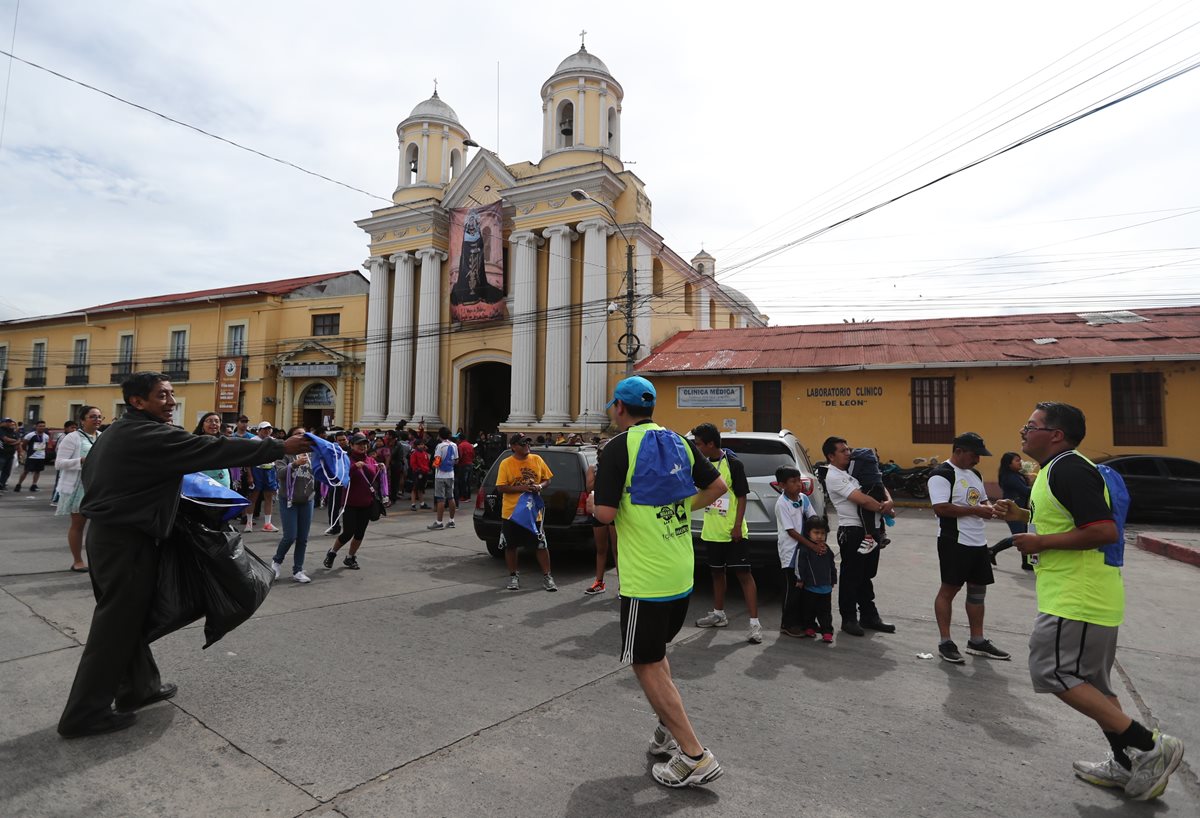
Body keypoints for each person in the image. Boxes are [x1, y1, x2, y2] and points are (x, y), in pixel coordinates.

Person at [57, 371, 310, 738]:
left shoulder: (119, 431)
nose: (171, 401)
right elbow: (211, 448)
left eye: (172, 393)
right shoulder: (149, 434)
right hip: (124, 541)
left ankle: (139, 688)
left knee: (130, 619)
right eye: (161, 395)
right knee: (114, 627)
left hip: (118, 537)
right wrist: (278, 448)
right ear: (137, 402)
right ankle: (83, 713)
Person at [996, 401, 1184, 800]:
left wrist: (1040, 542)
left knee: (1051, 672)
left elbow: (1101, 531)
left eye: (1030, 426)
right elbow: (1066, 519)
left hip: (1076, 599)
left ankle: (1152, 746)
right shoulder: (1054, 470)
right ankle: (1128, 764)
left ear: (1056, 434)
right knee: (1096, 686)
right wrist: (1020, 513)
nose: (1023, 433)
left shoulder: (1069, 467)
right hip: (1086, 596)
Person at [593, 376, 727, 789]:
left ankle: (694, 756)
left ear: (619, 407)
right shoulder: (679, 441)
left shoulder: (616, 448)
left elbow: (604, 515)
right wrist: (682, 505)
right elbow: (718, 486)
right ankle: (667, 725)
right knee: (656, 656)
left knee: (644, 663)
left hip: (646, 577)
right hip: (680, 570)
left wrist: (594, 500)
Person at [928, 432, 1010, 664]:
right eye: (975, 455)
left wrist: (992, 507)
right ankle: (946, 642)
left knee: (977, 591)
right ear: (959, 451)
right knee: (949, 590)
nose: (978, 460)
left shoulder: (974, 473)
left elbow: (981, 500)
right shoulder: (941, 474)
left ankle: (977, 640)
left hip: (977, 541)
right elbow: (941, 508)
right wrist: (976, 511)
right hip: (955, 541)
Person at [691, 423, 762, 644]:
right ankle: (718, 614)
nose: (696, 446)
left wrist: (738, 525)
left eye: (698, 443)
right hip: (711, 532)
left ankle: (754, 624)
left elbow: (741, 496)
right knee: (716, 574)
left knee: (743, 575)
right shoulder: (700, 465)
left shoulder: (733, 463)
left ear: (710, 443)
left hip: (734, 532)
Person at [822, 436, 897, 637]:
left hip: (870, 529)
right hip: (853, 532)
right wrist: (886, 508)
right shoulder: (834, 476)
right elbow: (863, 500)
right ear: (831, 456)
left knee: (866, 576)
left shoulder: (853, 471)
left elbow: (878, 482)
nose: (848, 453)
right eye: (843, 451)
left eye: (848, 449)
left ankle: (869, 616)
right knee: (851, 577)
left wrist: (888, 501)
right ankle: (848, 619)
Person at [496, 433, 557, 592]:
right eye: (523, 444)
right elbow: (501, 487)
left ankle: (547, 577)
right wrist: (522, 488)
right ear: (513, 446)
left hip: (532, 513)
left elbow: (548, 479)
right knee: (511, 546)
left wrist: (540, 487)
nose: (527, 446)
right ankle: (513, 576)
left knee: (540, 545)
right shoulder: (506, 463)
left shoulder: (537, 459)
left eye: (528, 443)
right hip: (512, 513)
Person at [322, 434, 382, 571]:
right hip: (350, 503)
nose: (363, 446)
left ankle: (350, 557)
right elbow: (341, 476)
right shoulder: (347, 460)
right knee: (348, 532)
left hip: (367, 502)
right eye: (359, 444)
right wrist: (355, 467)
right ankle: (332, 552)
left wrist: (377, 467)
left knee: (360, 533)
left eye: (365, 444)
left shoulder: (370, 460)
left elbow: (373, 475)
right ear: (352, 445)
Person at [54, 406, 104, 572]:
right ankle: (77, 560)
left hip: (97, 486)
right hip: (78, 488)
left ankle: (98, 560)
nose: (97, 420)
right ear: (82, 420)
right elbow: (59, 463)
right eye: (92, 416)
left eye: (99, 417)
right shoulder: (72, 438)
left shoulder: (102, 437)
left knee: (100, 527)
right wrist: (81, 461)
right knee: (78, 525)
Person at [774, 465, 819, 637]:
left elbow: (813, 519)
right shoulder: (782, 504)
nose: (798, 484)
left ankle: (803, 622)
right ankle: (787, 623)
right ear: (782, 485)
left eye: (799, 480)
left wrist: (818, 537)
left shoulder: (803, 499)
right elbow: (791, 531)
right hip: (791, 552)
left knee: (804, 589)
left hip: (804, 551)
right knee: (791, 590)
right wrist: (811, 544)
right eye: (793, 482)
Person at [272, 426, 315, 584]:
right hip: (288, 499)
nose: (301, 438)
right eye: (297, 435)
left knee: (303, 538)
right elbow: (280, 474)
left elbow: (321, 471)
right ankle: (276, 562)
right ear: (290, 438)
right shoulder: (284, 454)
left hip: (307, 499)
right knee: (290, 536)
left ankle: (298, 570)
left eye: (304, 435)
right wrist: (295, 464)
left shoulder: (312, 454)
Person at [794, 516, 836, 643]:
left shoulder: (827, 550)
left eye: (822, 533)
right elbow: (800, 565)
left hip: (825, 588)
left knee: (825, 612)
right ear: (808, 533)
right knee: (809, 610)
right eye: (816, 533)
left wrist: (833, 580)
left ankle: (827, 631)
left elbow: (832, 566)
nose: (819, 536)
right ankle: (810, 627)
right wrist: (800, 579)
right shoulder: (804, 549)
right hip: (810, 587)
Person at [989, 451, 1034, 570]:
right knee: (1019, 537)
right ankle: (992, 550)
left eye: (1020, 460)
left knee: (1025, 535)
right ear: (1009, 464)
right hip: (1011, 511)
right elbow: (1025, 491)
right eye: (1017, 460)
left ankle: (1026, 562)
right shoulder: (1009, 477)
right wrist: (1038, 487)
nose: (1020, 462)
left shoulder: (1017, 475)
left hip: (1021, 510)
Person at [584, 454, 617, 596]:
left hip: (615, 510)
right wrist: (601, 473)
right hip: (598, 510)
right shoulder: (594, 468)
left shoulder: (618, 466)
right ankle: (599, 582)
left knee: (618, 550)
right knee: (601, 549)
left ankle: (624, 586)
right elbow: (589, 487)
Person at [245, 422, 279, 533]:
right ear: (259, 430)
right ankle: (249, 522)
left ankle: (267, 524)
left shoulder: (273, 441)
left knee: (268, 497)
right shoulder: (253, 441)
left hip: (270, 470)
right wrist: (250, 475)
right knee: (253, 496)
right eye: (264, 429)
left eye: (269, 429)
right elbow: (248, 459)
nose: (267, 431)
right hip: (257, 470)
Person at [427, 426, 458, 530]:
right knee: (451, 497)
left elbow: (437, 461)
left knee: (440, 499)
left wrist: (432, 465)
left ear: (439, 435)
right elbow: (456, 460)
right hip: (451, 474)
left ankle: (439, 522)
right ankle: (451, 521)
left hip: (440, 475)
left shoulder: (440, 446)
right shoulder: (454, 445)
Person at [193, 413, 232, 488]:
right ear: (202, 425)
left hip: (222, 483)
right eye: (210, 421)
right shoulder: (195, 442)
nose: (214, 423)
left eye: (217, 421)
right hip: (202, 484)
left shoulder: (224, 441)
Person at [14, 419, 50, 492]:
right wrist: (26, 451)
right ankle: (19, 484)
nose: (42, 428)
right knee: (26, 471)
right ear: (36, 427)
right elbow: (24, 444)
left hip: (41, 456)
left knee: (38, 471)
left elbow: (46, 445)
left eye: (43, 426)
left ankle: (34, 485)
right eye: (40, 426)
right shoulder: (30, 435)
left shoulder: (46, 436)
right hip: (31, 456)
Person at [50, 419, 78, 504]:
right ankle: (55, 499)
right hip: (63, 462)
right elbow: (59, 450)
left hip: (70, 463)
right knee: (60, 480)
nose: (74, 430)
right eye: (72, 428)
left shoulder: (73, 437)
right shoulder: (63, 437)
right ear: (65, 428)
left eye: (75, 428)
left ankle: (64, 498)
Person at [409, 438, 431, 510]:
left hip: (424, 472)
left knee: (421, 489)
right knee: (414, 488)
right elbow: (413, 464)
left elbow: (427, 462)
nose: (421, 446)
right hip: (418, 473)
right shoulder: (414, 453)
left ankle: (422, 503)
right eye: (420, 445)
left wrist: (427, 469)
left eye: (422, 444)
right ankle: (413, 504)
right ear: (416, 446)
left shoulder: (424, 453)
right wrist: (418, 470)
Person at [0, 417, 19, 490]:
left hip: (10, 454)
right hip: (2, 454)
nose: (9, 423)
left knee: (7, 471)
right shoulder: (1, 430)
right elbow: (5, 439)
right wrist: (14, 441)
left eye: (10, 422)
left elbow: (19, 440)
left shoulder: (13, 431)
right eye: (7, 422)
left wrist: (12, 442)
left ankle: (2, 484)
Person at [455, 434, 476, 502]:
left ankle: (464, 496)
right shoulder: (469, 445)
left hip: (463, 465)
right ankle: (468, 496)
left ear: (459, 439)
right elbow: (473, 455)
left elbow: (460, 456)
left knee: (463, 481)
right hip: (470, 464)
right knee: (468, 481)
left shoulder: (461, 446)